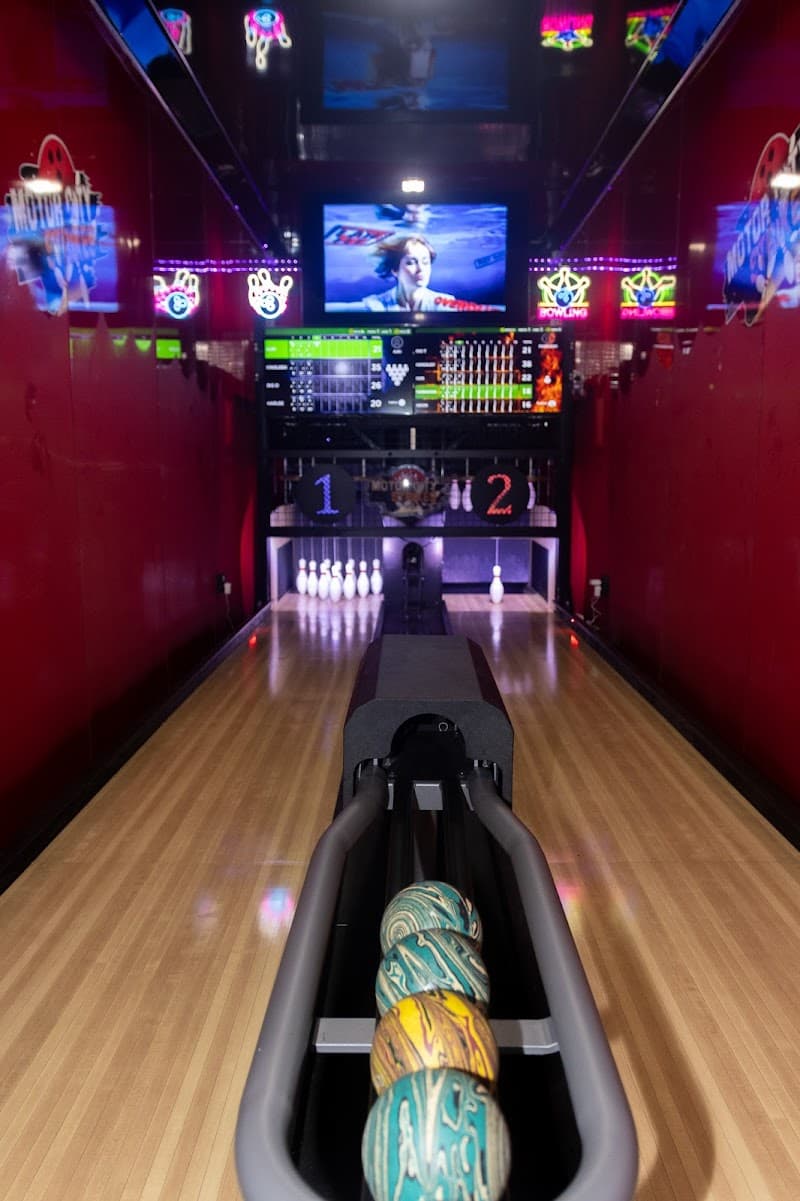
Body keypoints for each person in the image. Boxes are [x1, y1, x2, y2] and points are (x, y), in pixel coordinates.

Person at [330, 234, 455, 313]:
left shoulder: (446, 304)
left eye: (425, 262)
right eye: (411, 262)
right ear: (395, 270)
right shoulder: (377, 306)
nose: (421, 268)